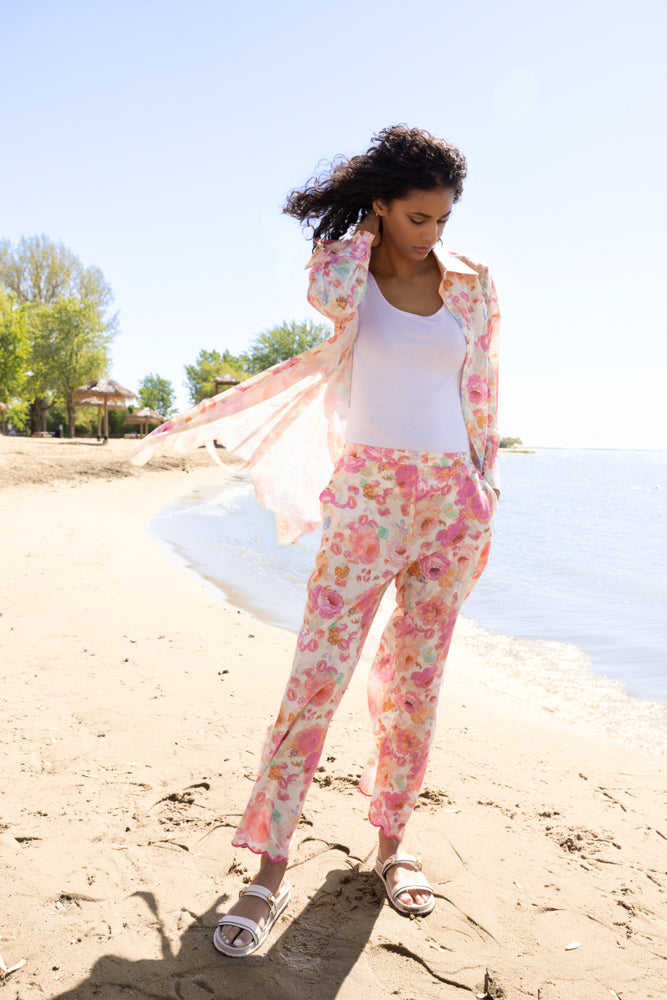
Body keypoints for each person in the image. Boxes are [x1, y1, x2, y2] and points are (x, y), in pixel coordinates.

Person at [131, 125, 500, 957]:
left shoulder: (474, 285)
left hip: (453, 501)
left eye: (442, 219)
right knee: (315, 679)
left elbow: (483, 387)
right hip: (368, 494)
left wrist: (485, 485)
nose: (430, 234)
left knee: (416, 683)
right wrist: (364, 235)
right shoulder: (344, 269)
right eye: (415, 216)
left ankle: (392, 843)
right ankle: (269, 867)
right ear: (381, 205)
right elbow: (328, 296)